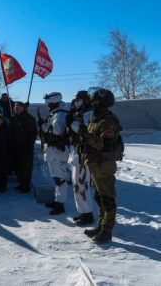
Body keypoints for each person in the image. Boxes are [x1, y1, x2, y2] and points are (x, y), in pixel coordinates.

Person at [71, 88, 123, 243]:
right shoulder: (96, 118)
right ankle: (101, 226)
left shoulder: (108, 121)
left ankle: (107, 231)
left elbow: (103, 143)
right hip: (95, 162)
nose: (92, 103)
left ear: (102, 102)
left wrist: (82, 132)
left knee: (107, 198)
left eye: (95, 100)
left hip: (104, 163)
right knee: (99, 197)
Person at [66, 90, 94, 225]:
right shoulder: (78, 113)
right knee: (77, 183)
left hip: (84, 152)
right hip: (76, 150)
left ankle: (87, 214)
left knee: (82, 184)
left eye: (78, 100)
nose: (75, 102)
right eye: (75, 100)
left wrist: (76, 126)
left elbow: (88, 133)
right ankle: (83, 211)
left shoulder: (89, 113)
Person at [40, 92, 71, 215]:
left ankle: (60, 205)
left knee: (60, 179)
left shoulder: (60, 114)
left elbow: (57, 131)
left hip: (58, 151)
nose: (47, 105)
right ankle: (57, 200)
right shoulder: (57, 113)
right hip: (54, 151)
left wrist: (44, 126)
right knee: (57, 178)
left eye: (48, 103)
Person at [10, 101, 38, 193]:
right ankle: (21, 184)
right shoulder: (13, 118)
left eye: (17, 107)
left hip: (26, 148)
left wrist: (29, 144)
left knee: (26, 168)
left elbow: (33, 133)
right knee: (18, 167)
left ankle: (25, 186)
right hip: (15, 147)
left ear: (23, 108)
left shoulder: (30, 119)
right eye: (15, 107)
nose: (15, 108)